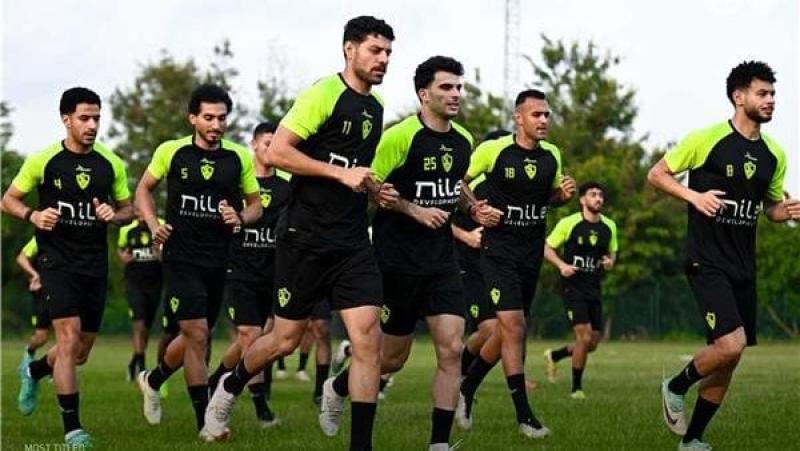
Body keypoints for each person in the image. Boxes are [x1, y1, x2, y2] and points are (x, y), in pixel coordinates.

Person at [202, 16, 396, 451]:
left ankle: (358, 441)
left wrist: (373, 187)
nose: (383, 59)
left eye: (388, 52)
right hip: (304, 237)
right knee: (284, 340)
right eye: (375, 50)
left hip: (352, 241)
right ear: (349, 49)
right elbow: (277, 152)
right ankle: (229, 387)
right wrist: (340, 173)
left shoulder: (376, 107)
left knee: (368, 339)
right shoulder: (323, 94)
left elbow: (356, 170)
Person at [323, 55, 472, 451]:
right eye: (446, 87)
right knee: (391, 360)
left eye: (459, 87)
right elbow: (369, 186)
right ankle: (338, 386)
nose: (455, 94)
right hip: (397, 263)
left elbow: (456, 184)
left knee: (452, 349)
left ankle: (439, 444)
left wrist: (475, 208)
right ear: (424, 94)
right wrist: (412, 209)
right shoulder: (399, 137)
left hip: (442, 262)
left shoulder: (463, 140)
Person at [647, 61, 797, 451]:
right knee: (731, 344)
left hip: (743, 265)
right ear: (738, 97)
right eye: (762, 93)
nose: (771, 100)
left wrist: (785, 212)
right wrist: (693, 196)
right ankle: (675, 386)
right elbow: (657, 174)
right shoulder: (706, 139)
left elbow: (769, 209)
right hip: (706, 259)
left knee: (730, 358)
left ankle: (692, 439)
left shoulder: (774, 154)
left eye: (773, 94)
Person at [2, 87, 133, 447]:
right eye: (84, 118)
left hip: (94, 263)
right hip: (55, 261)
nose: (92, 125)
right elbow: (8, 200)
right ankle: (73, 429)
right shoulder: (43, 160)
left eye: (96, 118)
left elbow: (128, 210)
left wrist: (114, 214)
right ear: (66, 120)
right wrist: (33, 215)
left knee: (80, 352)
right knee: (67, 336)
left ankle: (34, 370)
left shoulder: (111, 163)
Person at [134, 84, 262, 439]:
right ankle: (205, 423)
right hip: (180, 257)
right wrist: (154, 225)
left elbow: (256, 206)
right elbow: (143, 190)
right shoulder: (171, 151)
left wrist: (240, 216)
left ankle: (153, 378)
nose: (216, 125)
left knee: (195, 337)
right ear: (193, 118)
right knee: (198, 335)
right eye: (208, 117)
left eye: (222, 118)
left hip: (220, 258)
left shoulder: (238, 157)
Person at [456, 89, 576, 439]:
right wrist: (475, 209)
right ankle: (525, 417)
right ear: (518, 118)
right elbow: (459, 182)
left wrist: (562, 196)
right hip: (498, 251)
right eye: (537, 114)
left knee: (508, 331)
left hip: (531, 253)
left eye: (547, 114)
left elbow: (548, 198)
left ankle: (466, 388)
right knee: (515, 327)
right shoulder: (493, 151)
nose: (544, 120)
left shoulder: (552, 155)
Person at [207, 121, 290, 428]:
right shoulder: (238, 184)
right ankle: (260, 407)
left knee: (265, 338)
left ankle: (217, 376)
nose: (271, 149)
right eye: (267, 143)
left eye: (276, 143)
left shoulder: (287, 186)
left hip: (274, 273)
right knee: (250, 336)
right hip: (239, 270)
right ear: (254, 144)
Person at [543, 181, 618, 398]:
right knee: (584, 338)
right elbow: (547, 248)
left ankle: (555, 355)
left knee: (591, 343)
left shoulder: (609, 226)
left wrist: (610, 262)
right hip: (572, 288)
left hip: (594, 288)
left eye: (600, 195)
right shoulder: (569, 223)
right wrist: (562, 266)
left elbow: (612, 252)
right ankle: (576, 389)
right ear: (582, 200)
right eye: (593, 194)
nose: (598, 199)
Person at [451, 130, 509, 380]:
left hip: (499, 266)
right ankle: (462, 375)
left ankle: (515, 376)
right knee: (490, 329)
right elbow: (441, 219)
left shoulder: (510, 185)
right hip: (469, 267)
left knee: (512, 326)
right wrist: (466, 236)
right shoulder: (469, 186)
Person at [118, 212, 165, 382]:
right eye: (138, 211)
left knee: (146, 327)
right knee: (138, 322)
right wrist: (123, 257)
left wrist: (160, 254)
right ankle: (142, 367)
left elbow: (169, 253)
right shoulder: (127, 230)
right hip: (134, 283)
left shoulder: (161, 225)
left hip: (155, 284)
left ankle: (134, 361)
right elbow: (121, 250)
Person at [16, 237, 51, 368]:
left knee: (67, 334)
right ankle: (29, 352)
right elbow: (21, 258)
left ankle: (56, 369)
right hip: (42, 293)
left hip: (64, 292)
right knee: (41, 337)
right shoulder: (41, 237)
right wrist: (35, 275)